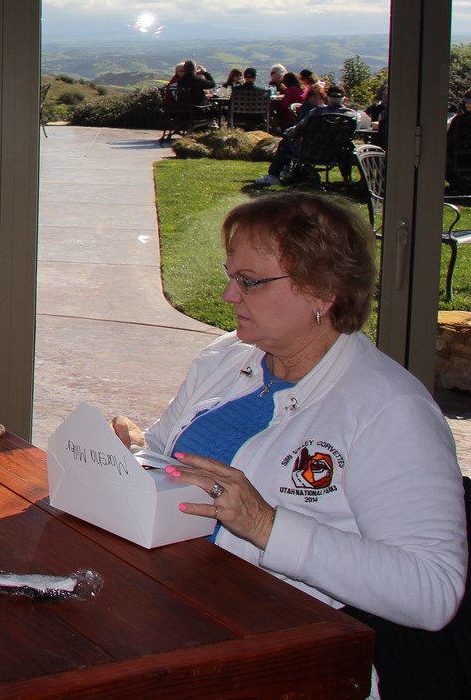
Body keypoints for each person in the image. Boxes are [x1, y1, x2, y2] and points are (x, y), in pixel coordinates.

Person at [110, 193, 466, 697]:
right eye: (231, 275)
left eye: (250, 281)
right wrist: (134, 453)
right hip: (177, 605)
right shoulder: (226, 359)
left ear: (323, 292)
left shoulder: (389, 411)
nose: (231, 295)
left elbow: (432, 592)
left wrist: (266, 526)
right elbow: (170, 456)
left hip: (288, 656)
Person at [253, 85, 363, 185]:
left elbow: (298, 130)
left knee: (285, 143)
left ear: (327, 98)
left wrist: (287, 133)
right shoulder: (353, 116)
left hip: (310, 153)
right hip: (337, 155)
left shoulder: (317, 112)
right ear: (344, 99)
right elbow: (351, 136)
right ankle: (346, 179)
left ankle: (275, 175)